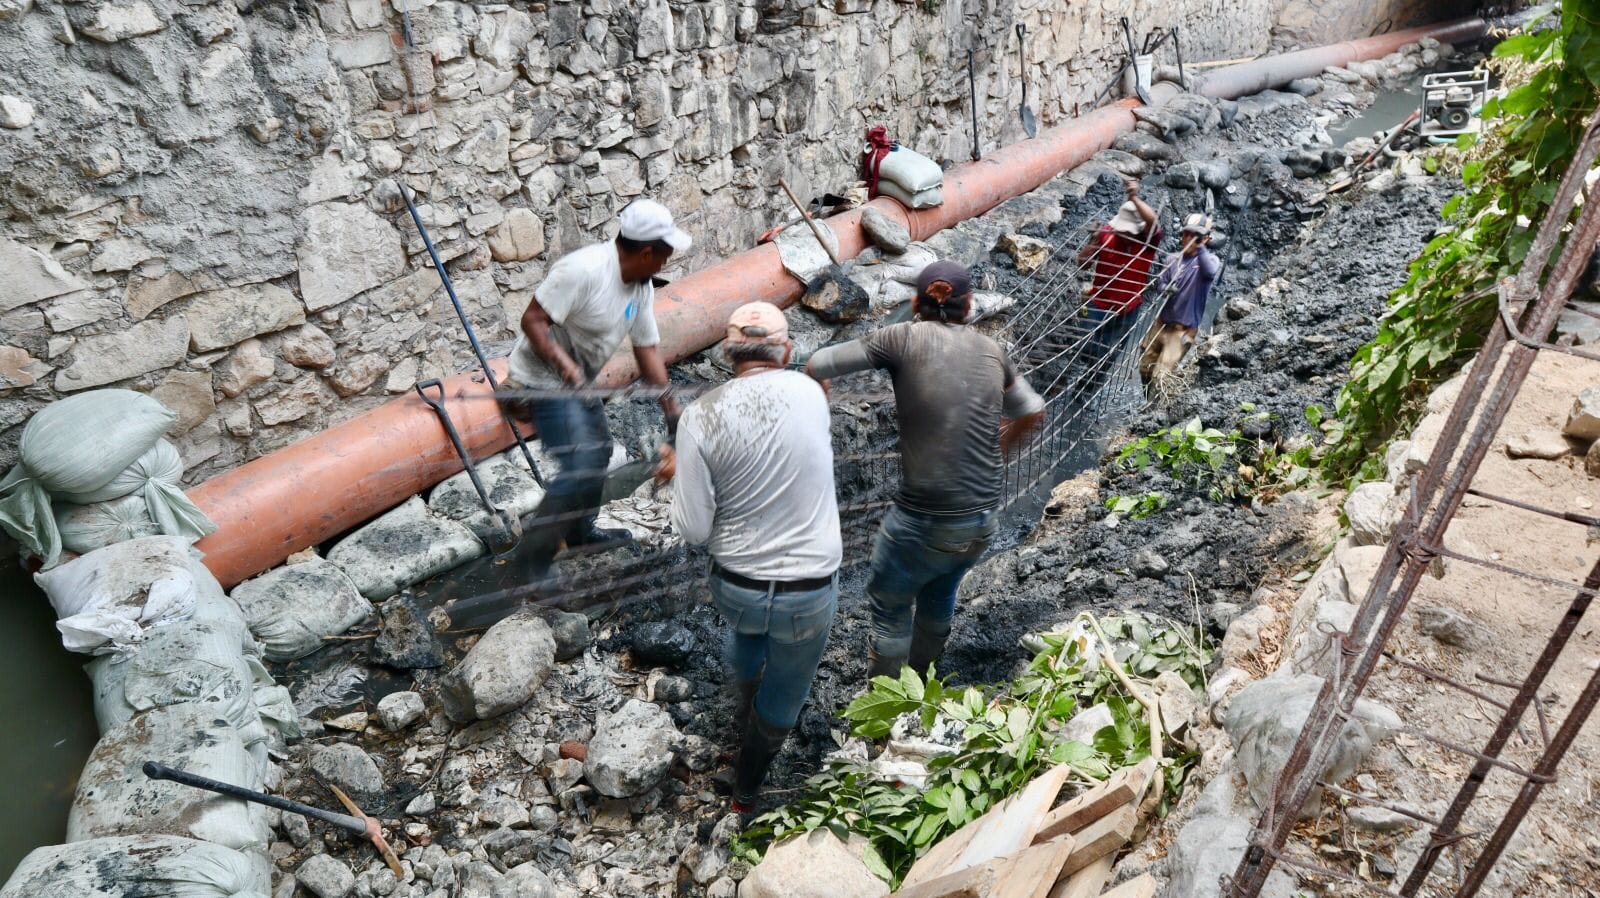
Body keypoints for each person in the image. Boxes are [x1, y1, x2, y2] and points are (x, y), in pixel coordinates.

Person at [806, 262, 1044, 680]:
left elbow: (821, 361)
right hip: (979, 519)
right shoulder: (992, 351)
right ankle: (922, 686)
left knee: (890, 607)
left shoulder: (900, 337)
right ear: (969, 306)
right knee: (940, 591)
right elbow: (1031, 409)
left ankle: (885, 707)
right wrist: (1000, 449)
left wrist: (817, 394)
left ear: (915, 302)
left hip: (921, 520)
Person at [656, 302, 841, 814]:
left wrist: (681, 474)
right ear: (786, 349)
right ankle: (747, 791)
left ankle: (744, 706)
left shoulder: (699, 416)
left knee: (750, 635)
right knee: (787, 690)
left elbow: (693, 529)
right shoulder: (809, 393)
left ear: (724, 354)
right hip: (807, 592)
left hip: (735, 588)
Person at [509, 199, 687, 581]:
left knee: (600, 451)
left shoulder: (641, 286)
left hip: (576, 383)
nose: (665, 264)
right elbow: (532, 320)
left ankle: (578, 532)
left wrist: (671, 409)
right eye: (664, 256)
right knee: (580, 463)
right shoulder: (583, 270)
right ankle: (527, 565)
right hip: (540, 380)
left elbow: (646, 349)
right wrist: (566, 365)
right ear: (645, 252)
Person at [1075, 179, 1163, 393]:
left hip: (1128, 308)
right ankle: (1087, 369)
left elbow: (1153, 220)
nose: (1125, 234)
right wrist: (1094, 241)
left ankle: (1086, 391)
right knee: (1087, 346)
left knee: (1109, 353)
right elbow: (1082, 264)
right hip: (1098, 303)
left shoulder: (1147, 241)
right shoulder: (1106, 235)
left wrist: (1133, 197)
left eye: (1129, 231)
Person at [1141, 213, 1222, 382]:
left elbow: (1210, 272)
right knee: (1145, 368)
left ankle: (1153, 405)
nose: (1190, 239)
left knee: (1161, 377)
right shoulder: (1172, 259)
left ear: (1205, 239)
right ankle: (1146, 399)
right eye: (1187, 234)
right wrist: (1165, 288)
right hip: (1161, 324)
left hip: (1181, 331)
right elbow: (1160, 284)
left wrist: (1200, 248)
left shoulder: (1210, 261)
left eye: (1196, 236)